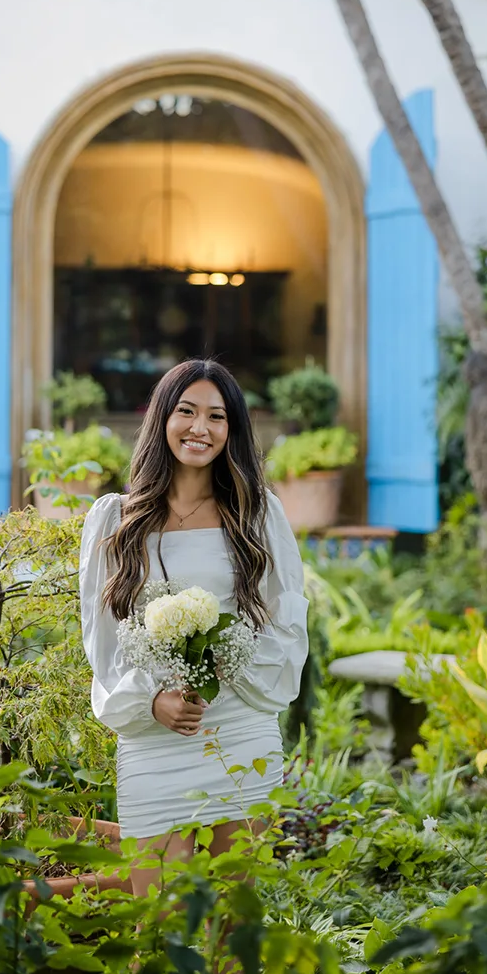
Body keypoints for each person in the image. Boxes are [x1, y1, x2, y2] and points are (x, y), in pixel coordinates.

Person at [79, 358, 309, 896]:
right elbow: (103, 638)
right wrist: (149, 699)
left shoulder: (256, 514)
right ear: (162, 418)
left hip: (239, 729)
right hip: (153, 739)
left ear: (232, 431)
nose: (199, 429)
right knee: (159, 922)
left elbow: (287, 617)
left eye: (216, 416)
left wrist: (232, 662)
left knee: (233, 920)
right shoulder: (115, 519)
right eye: (186, 411)